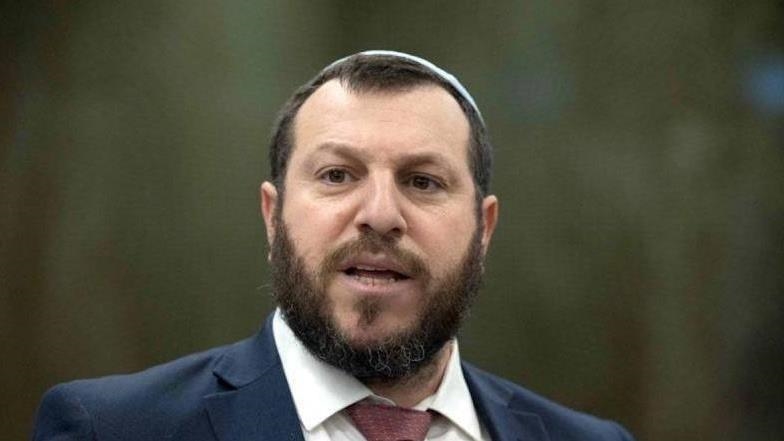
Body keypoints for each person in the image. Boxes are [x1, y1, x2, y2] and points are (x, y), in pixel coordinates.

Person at [32, 50, 635, 441]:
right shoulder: (109, 429)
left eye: (423, 181)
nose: (380, 216)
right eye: (337, 175)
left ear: (484, 231)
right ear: (273, 218)